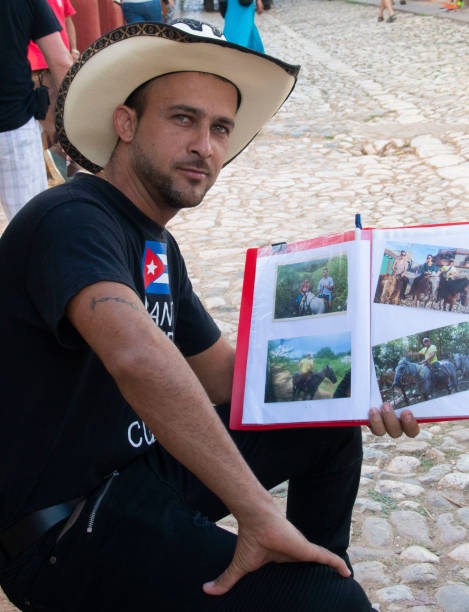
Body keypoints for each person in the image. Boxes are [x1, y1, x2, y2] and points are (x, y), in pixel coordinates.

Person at [0, 19, 419, 612]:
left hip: (138, 475)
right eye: (183, 119)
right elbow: (137, 356)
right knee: (333, 608)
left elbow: (225, 375)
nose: (206, 145)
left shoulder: (155, 246)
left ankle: (313, 571)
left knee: (323, 427)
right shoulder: (71, 216)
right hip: (64, 531)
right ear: (126, 123)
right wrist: (254, 511)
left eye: (220, 128)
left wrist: (367, 381)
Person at [0, 0, 73, 221]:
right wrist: (71, 122)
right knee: (31, 225)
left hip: (14, 119)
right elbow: (61, 62)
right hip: (14, 125)